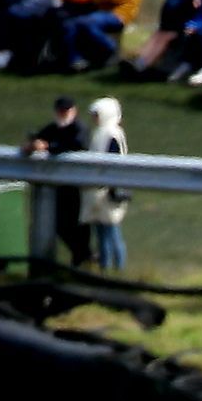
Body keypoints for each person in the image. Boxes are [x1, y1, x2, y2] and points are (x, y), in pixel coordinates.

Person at [23, 96, 91, 265]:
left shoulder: (79, 128)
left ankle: (83, 257)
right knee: (60, 224)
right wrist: (32, 145)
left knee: (77, 225)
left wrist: (49, 147)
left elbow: (76, 145)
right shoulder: (53, 128)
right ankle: (82, 257)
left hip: (76, 185)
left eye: (66, 111)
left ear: (74, 111)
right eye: (60, 111)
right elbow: (38, 138)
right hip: (59, 184)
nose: (63, 114)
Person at [80, 97, 130, 272]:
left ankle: (117, 269)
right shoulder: (102, 132)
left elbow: (113, 160)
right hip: (99, 190)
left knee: (111, 231)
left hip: (108, 191)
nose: (94, 118)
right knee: (102, 232)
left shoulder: (111, 133)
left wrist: (104, 183)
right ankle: (106, 269)